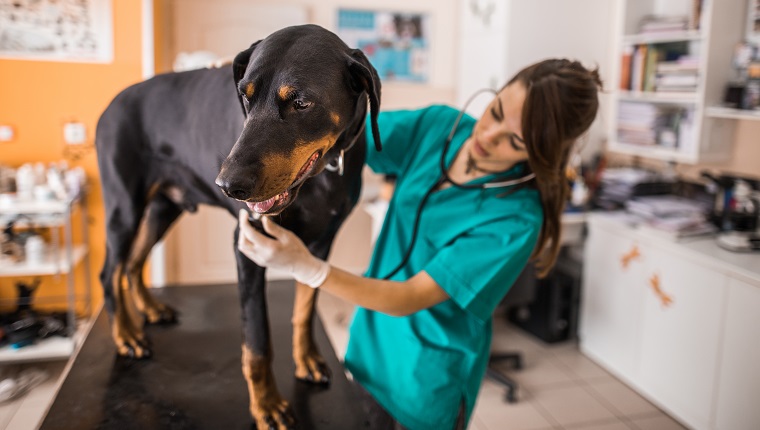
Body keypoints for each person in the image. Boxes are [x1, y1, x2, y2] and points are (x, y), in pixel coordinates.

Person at [237, 58, 603, 430]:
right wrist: (262, 88)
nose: (487, 136)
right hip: (368, 350)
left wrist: (308, 267)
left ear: (543, 153)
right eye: (495, 112)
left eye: (515, 140)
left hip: (424, 383)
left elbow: (410, 296)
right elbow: (350, 133)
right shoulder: (441, 126)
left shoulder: (516, 219)